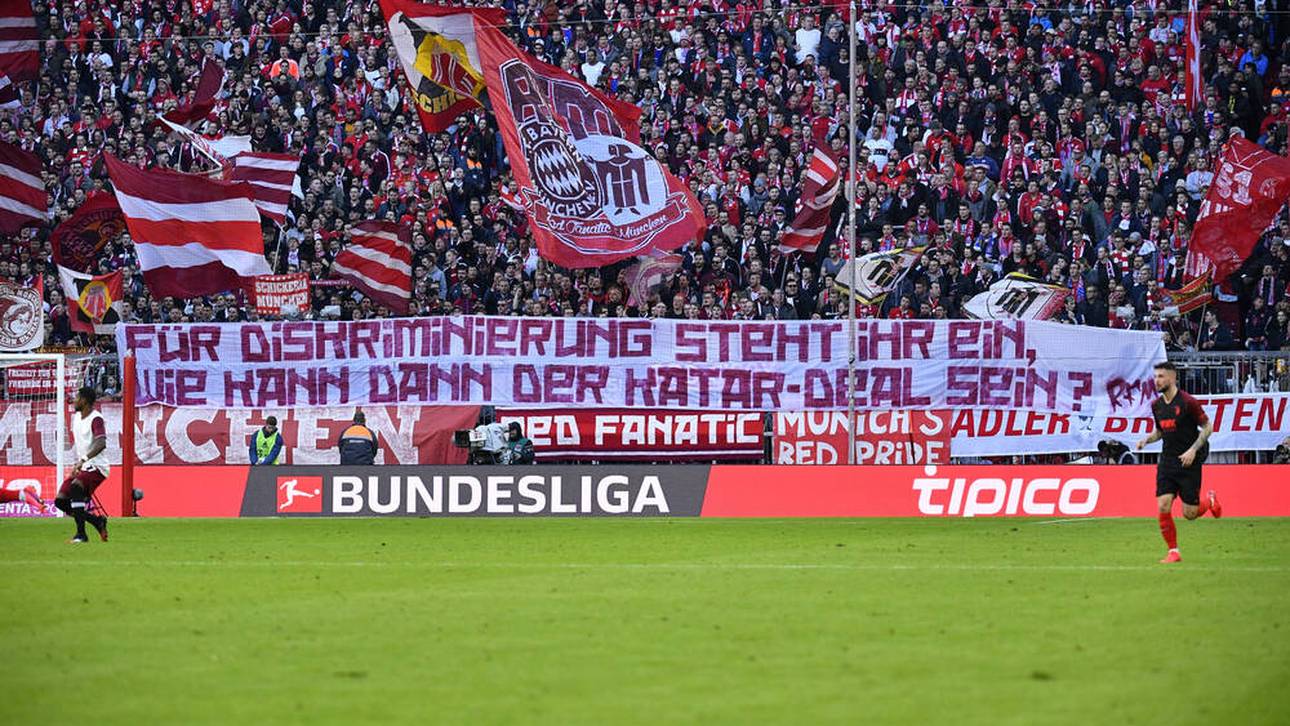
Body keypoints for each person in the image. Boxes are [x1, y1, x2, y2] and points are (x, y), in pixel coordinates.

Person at [1136, 362, 1222, 564]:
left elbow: (1208, 427)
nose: (1157, 380)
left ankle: (1209, 502)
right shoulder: (1156, 406)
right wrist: (1146, 440)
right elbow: (1160, 431)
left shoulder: (1188, 402)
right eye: (1155, 376)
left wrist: (1193, 449)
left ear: (1173, 378)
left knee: (1190, 513)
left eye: (1161, 376)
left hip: (1188, 462)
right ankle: (1173, 551)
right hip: (1167, 462)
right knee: (1163, 505)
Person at [54, 387, 109, 543]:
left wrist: (83, 459)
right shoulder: (77, 418)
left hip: (97, 467)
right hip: (83, 467)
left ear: (84, 401)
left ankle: (81, 535)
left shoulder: (96, 419)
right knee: (60, 501)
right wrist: (78, 465)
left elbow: (101, 442)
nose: (74, 400)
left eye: (77, 397)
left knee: (76, 487)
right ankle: (96, 521)